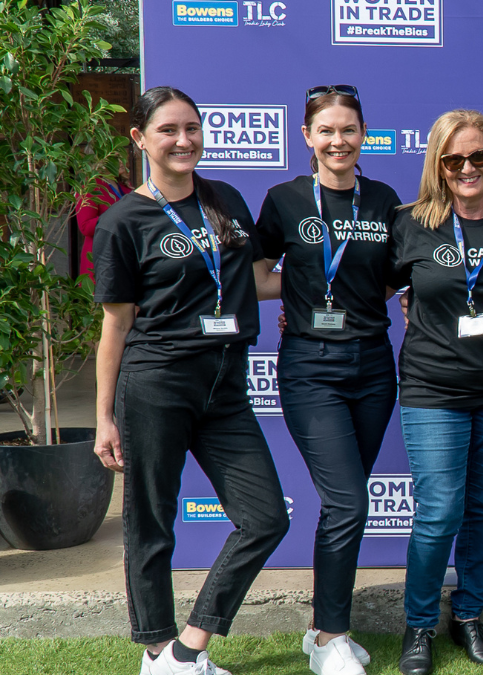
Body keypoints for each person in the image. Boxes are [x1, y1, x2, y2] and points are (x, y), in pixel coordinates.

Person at [91, 86, 290, 675]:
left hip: (225, 386)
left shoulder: (224, 198)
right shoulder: (123, 221)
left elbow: (259, 280)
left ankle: (188, 647)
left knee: (265, 518)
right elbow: (116, 325)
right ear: (140, 139)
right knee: (151, 521)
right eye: (169, 130)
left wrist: (340, 283)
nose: (183, 141)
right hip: (156, 382)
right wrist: (104, 415)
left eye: (193, 128)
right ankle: (157, 653)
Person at [255, 84, 403, 675]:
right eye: (326, 131)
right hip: (310, 367)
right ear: (307, 137)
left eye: (349, 130)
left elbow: (391, 279)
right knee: (347, 502)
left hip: (372, 365)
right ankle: (332, 638)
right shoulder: (286, 199)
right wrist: (299, 297)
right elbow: (259, 273)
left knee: (344, 505)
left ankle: (322, 629)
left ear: (363, 133)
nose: (338, 141)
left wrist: (353, 304)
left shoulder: (385, 199)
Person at [391, 109, 483, 675]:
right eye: (455, 159)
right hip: (433, 389)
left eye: (480, 156)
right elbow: (365, 286)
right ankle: (420, 624)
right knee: (440, 510)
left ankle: (469, 613)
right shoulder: (410, 223)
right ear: (438, 164)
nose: (468, 168)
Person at [76, 170, 133, 281]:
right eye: (116, 157)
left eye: (121, 156)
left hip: (125, 256)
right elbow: (85, 227)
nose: (121, 161)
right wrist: (117, 215)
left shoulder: (125, 187)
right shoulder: (91, 186)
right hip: (102, 258)